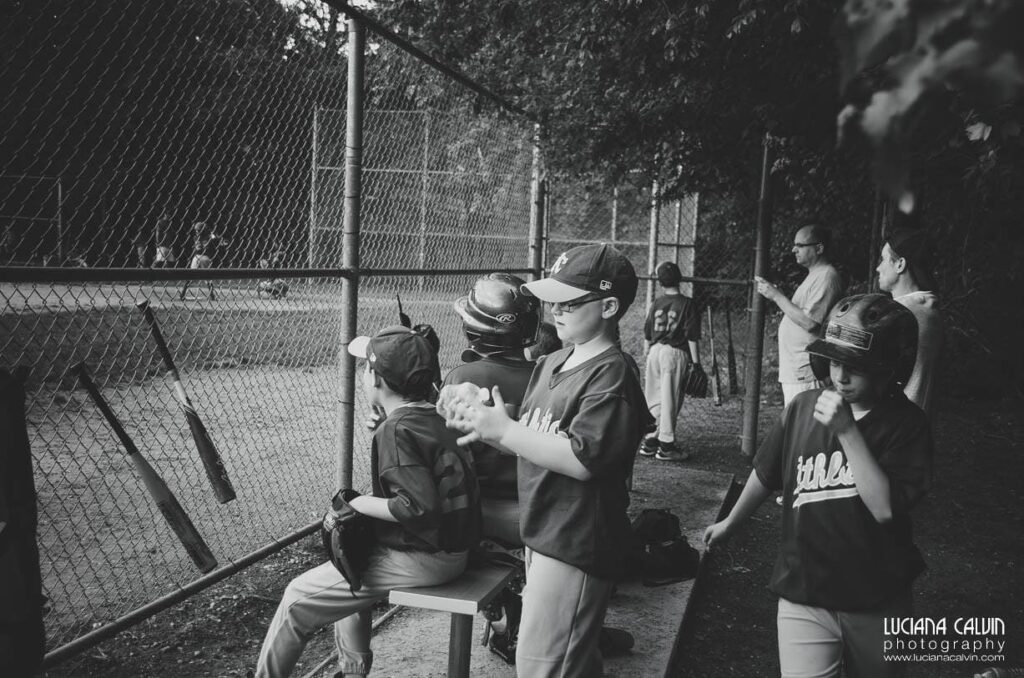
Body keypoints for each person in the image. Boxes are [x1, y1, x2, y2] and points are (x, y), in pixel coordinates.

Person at [440, 243, 654, 677]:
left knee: (541, 664)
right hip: (544, 530)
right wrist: (483, 422)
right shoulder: (552, 360)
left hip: (576, 540)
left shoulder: (612, 372)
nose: (553, 310)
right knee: (572, 659)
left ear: (609, 306)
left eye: (569, 302)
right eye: (550, 300)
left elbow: (582, 459)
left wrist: (505, 430)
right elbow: (533, 438)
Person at [704, 293, 932, 678]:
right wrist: (731, 523)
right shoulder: (802, 407)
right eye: (835, 360)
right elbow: (766, 473)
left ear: (890, 368)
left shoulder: (907, 426)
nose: (840, 376)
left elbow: (885, 509)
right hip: (804, 591)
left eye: (856, 367)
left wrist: (847, 431)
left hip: (878, 596)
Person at [253, 325, 481, 678]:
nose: (363, 375)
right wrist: (383, 429)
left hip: (426, 559)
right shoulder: (434, 415)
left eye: (365, 368)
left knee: (296, 598)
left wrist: (359, 504)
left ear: (376, 379)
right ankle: (352, 670)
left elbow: (417, 507)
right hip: (453, 550)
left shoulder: (398, 429)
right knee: (353, 559)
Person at [755, 223, 844, 406]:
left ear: (819, 248)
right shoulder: (815, 275)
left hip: (807, 370)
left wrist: (776, 296)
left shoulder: (827, 276)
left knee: (805, 429)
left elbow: (810, 322)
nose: (794, 249)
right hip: (797, 371)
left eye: (800, 245)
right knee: (797, 427)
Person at [876, 227, 943, 416]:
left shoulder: (901, 314)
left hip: (894, 426)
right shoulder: (928, 310)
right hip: (916, 423)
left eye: (883, 260)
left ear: (900, 265)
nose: (878, 268)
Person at [639, 261, 701, 461]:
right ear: (679, 279)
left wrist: (648, 352)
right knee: (670, 399)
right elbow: (692, 336)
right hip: (674, 353)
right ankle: (666, 445)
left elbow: (648, 333)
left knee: (654, 398)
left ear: (660, 283)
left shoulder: (656, 302)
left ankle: (650, 440)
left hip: (654, 351)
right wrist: (696, 362)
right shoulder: (687, 303)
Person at [180, 221, 228, 301]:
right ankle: (212, 295)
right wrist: (215, 236)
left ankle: (182, 294)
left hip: (197, 257)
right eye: (197, 230)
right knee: (208, 278)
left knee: (190, 276)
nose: (197, 231)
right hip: (205, 258)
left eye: (198, 230)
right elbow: (219, 240)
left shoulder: (196, 237)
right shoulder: (208, 236)